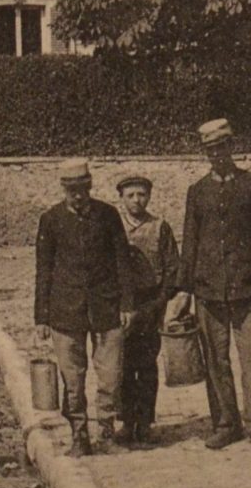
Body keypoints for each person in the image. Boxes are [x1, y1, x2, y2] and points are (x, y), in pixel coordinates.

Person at [173, 118, 251, 450]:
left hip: (249, 288)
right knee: (215, 361)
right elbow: (189, 242)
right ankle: (225, 423)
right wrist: (184, 289)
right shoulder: (198, 191)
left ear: (231, 147)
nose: (216, 155)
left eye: (221, 147)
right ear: (204, 153)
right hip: (208, 291)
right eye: (210, 150)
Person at [35, 159, 136, 457]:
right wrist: (41, 316)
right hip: (65, 310)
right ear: (63, 189)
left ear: (90, 185)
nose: (77, 195)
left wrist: (127, 304)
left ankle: (106, 433)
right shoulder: (51, 219)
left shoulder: (108, 215)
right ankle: (79, 435)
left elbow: (122, 263)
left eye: (82, 189)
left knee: (109, 376)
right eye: (71, 190)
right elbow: (44, 270)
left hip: (106, 308)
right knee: (73, 379)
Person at [113, 173, 178, 446]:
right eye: (131, 195)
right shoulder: (114, 227)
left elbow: (173, 268)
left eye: (141, 194)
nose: (136, 200)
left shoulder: (160, 227)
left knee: (147, 364)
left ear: (149, 196)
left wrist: (161, 301)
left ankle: (146, 423)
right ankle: (127, 421)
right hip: (122, 305)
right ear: (122, 198)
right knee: (123, 363)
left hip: (151, 304)